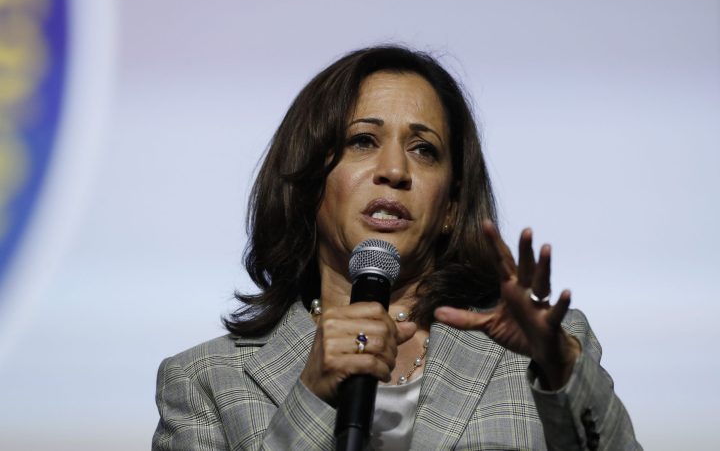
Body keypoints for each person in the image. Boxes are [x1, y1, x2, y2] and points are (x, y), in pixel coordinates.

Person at [152, 46, 641, 450]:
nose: (394, 170)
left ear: (450, 207)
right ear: (309, 183)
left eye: (424, 150)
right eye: (363, 141)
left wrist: (560, 365)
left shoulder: (540, 356)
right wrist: (312, 398)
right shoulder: (206, 381)